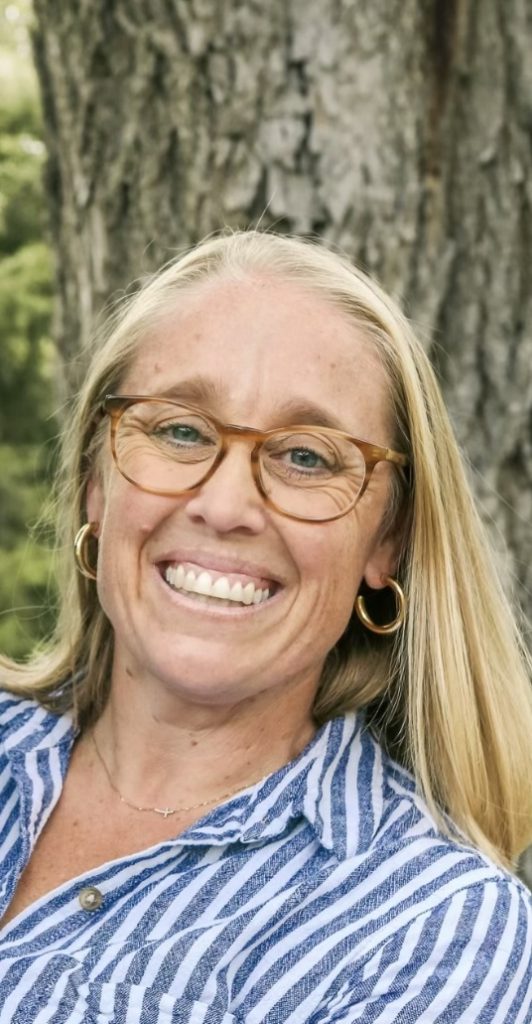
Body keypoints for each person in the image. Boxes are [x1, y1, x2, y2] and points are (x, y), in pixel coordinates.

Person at [0, 230, 531, 1024]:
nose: (225, 506)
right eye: (180, 430)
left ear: (386, 541)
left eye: (307, 457)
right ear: (95, 484)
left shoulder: (430, 934)